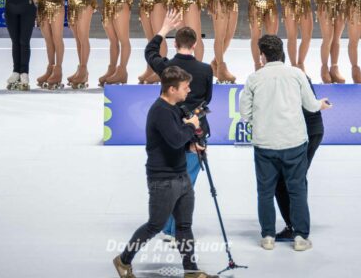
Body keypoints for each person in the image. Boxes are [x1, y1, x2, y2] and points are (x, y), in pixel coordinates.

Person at [112, 66, 217, 278]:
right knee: (155, 225)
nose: (188, 91)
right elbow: (177, 137)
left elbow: (175, 141)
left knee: (184, 226)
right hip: (163, 179)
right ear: (171, 89)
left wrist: (191, 147)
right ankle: (123, 260)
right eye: (185, 87)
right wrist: (191, 125)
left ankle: (191, 270)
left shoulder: (175, 109)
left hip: (181, 175)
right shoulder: (160, 111)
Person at [239, 35, 331, 252]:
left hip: (265, 144)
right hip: (294, 142)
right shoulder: (297, 74)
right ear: (282, 52)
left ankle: (268, 236)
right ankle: (300, 237)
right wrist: (321, 104)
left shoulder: (254, 79)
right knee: (297, 190)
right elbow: (310, 105)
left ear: (262, 56)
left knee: (265, 191)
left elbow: (245, 115)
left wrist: (261, 122)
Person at [145, 9, 213, 241]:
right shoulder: (205, 70)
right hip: (195, 130)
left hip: (171, 128)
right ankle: (177, 228)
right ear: (195, 45)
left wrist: (164, 29)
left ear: (175, 45)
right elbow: (208, 99)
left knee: (172, 178)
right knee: (188, 181)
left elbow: (150, 51)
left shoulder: (168, 69)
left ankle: (168, 228)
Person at [273, 70, 324, 242]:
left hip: (306, 133)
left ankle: (296, 228)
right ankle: (294, 225)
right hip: (303, 132)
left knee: (291, 180)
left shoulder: (281, 79)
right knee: (290, 179)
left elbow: (309, 106)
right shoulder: (296, 75)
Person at [3, 0, 40, 92]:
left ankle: (24, 72)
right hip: (11, 9)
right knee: (15, 41)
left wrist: (35, 10)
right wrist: (11, 5)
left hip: (27, 9)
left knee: (24, 41)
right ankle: (15, 71)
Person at [33, 0, 67, 89]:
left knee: (57, 38)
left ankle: (58, 70)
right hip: (42, 6)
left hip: (56, 5)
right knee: (48, 39)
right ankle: (50, 68)